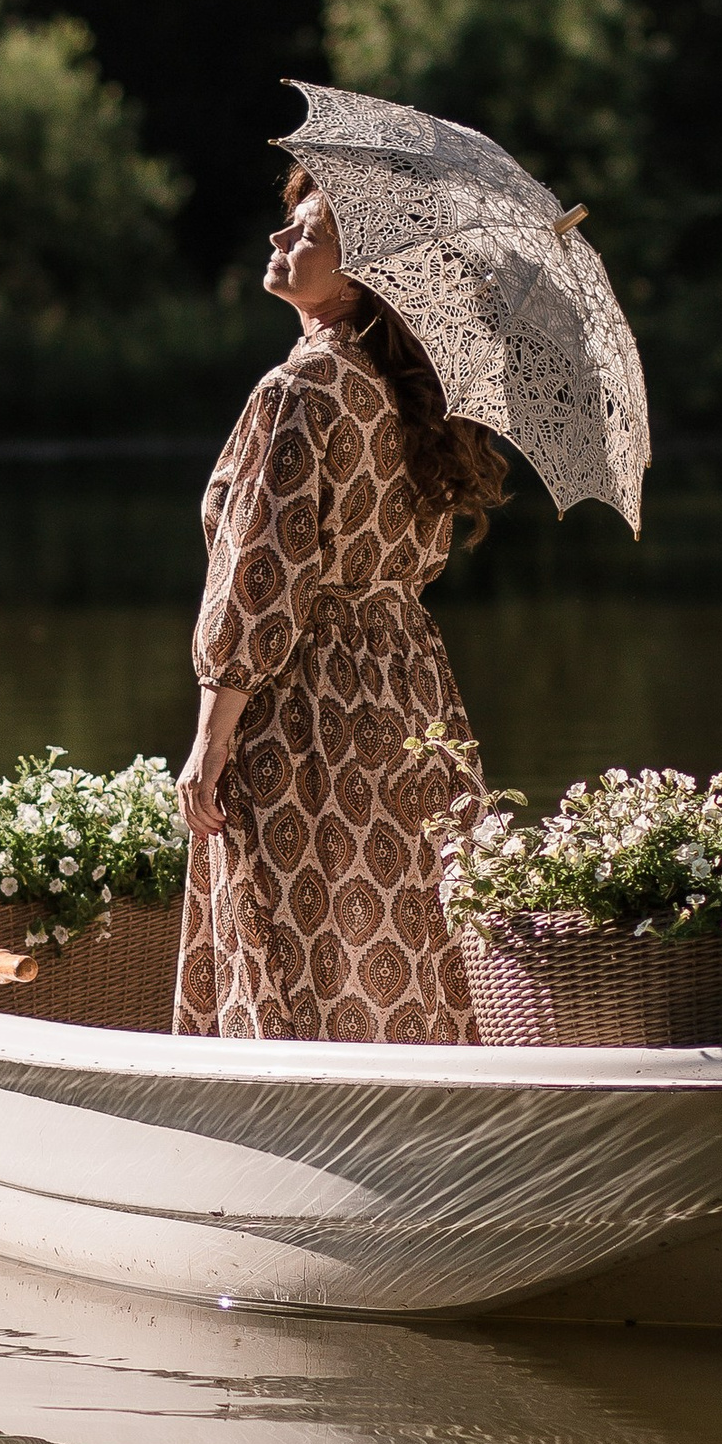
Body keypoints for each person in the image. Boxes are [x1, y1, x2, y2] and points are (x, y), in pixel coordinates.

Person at [174, 164, 508, 1040]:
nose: (280, 239)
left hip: (308, 697)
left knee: (296, 934)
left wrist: (211, 740)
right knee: (410, 925)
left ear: (359, 270)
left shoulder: (295, 393)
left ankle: (290, 1141)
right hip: (411, 692)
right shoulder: (418, 398)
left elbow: (259, 580)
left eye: (306, 231)